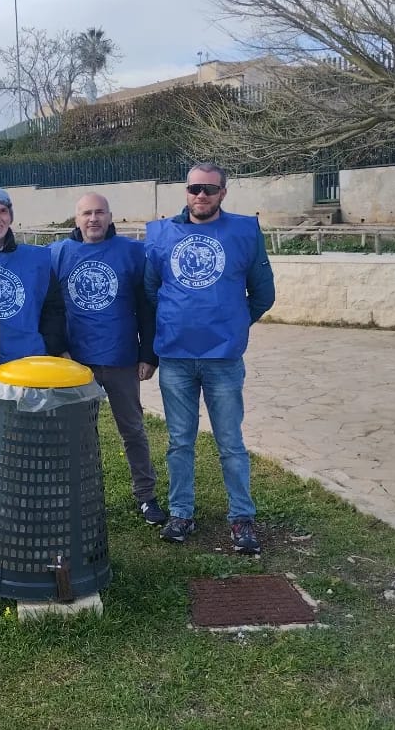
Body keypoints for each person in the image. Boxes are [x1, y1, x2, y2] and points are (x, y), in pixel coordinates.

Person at [144, 163, 275, 553]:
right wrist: (176, 321)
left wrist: (233, 323)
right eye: (194, 189)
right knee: (179, 441)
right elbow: (153, 290)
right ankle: (181, 513)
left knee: (230, 442)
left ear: (223, 193)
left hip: (223, 359)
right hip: (176, 359)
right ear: (186, 191)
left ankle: (242, 519)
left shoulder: (244, 232)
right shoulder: (161, 234)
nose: (201, 196)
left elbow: (263, 294)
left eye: (209, 190)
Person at [49, 192, 165, 525]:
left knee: (132, 429)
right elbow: (51, 309)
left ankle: (146, 496)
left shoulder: (132, 252)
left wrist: (148, 353)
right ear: (76, 219)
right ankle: (76, 499)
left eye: (100, 212)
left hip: (121, 357)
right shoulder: (57, 254)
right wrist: (59, 350)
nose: (93, 219)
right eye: (87, 213)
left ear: (110, 216)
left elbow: (146, 306)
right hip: (76, 364)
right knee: (75, 434)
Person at [0, 186, 68, 445]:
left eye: (3, 211)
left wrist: (51, 346)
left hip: (31, 364)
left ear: (10, 216)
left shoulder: (37, 258)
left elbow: (53, 308)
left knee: (36, 440)